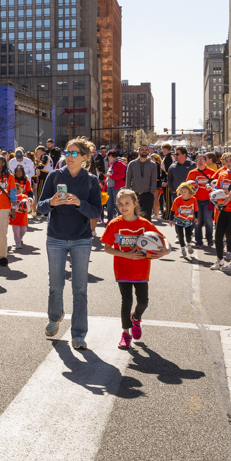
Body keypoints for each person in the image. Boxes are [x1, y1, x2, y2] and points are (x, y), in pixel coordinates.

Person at [37, 136, 102, 351]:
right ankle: (55, 317)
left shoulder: (91, 180)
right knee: (56, 284)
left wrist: (79, 203)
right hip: (55, 236)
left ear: (85, 157)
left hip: (81, 239)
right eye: (67, 152)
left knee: (80, 288)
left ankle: (79, 334)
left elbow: (96, 212)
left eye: (74, 153)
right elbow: (40, 206)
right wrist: (52, 203)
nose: (69, 157)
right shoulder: (54, 176)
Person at [101, 188, 169, 350]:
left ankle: (136, 318)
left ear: (135, 204)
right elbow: (107, 248)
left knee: (143, 302)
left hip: (141, 270)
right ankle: (125, 334)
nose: (123, 207)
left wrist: (166, 250)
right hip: (123, 269)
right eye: (120, 204)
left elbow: (163, 240)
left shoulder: (144, 224)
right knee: (127, 301)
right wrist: (127, 255)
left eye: (127, 203)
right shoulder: (114, 224)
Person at [0, 153, 17, 267]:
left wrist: (13, 208)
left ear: (3, 163)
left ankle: (4, 256)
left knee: (1, 232)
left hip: (5, 207)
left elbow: (13, 192)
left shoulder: (9, 176)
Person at [187, 154, 216, 248]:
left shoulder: (211, 172)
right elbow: (187, 186)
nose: (200, 161)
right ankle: (198, 240)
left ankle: (209, 238)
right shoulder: (192, 173)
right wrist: (193, 189)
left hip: (208, 200)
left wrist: (211, 187)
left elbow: (216, 185)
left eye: (202, 159)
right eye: (198, 160)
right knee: (197, 221)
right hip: (196, 200)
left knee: (208, 220)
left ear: (206, 161)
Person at [125, 145, 158, 220]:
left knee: (147, 217)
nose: (144, 151)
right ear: (139, 151)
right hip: (135, 194)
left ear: (148, 151)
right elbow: (128, 178)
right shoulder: (132, 164)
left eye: (146, 150)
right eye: (142, 149)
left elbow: (153, 179)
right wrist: (128, 191)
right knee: (134, 216)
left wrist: (151, 192)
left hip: (147, 194)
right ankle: (135, 231)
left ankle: (146, 231)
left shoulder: (152, 165)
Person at [169, 182, 198, 260]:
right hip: (179, 219)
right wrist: (171, 220)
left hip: (188, 220)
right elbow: (172, 210)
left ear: (189, 192)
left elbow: (196, 210)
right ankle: (183, 250)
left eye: (185, 192)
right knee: (180, 235)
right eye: (181, 191)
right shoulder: (177, 200)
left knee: (188, 235)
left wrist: (196, 218)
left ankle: (188, 244)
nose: (183, 193)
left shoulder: (193, 199)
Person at [166, 147, 194, 225]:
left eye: (177, 154)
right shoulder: (172, 166)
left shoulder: (192, 165)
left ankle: (190, 231)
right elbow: (169, 180)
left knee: (190, 213)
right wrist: (173, 191)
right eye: (175, 154)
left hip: (190, 194)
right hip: (177, 194)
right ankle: (179, 233)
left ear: (184, 155)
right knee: (178, 213)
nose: (175, 155)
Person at [10, 165, 32, 249]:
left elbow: (29, 191)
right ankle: (17, 242)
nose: (18, 173)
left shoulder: (26, 181)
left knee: (24, 229)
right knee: (16, 229)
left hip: (24, 204)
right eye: (17, 171)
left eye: (20, 171)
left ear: (23, 172)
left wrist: (30, 199)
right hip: (15, 204)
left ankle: (20, 238)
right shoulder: (12, 180)